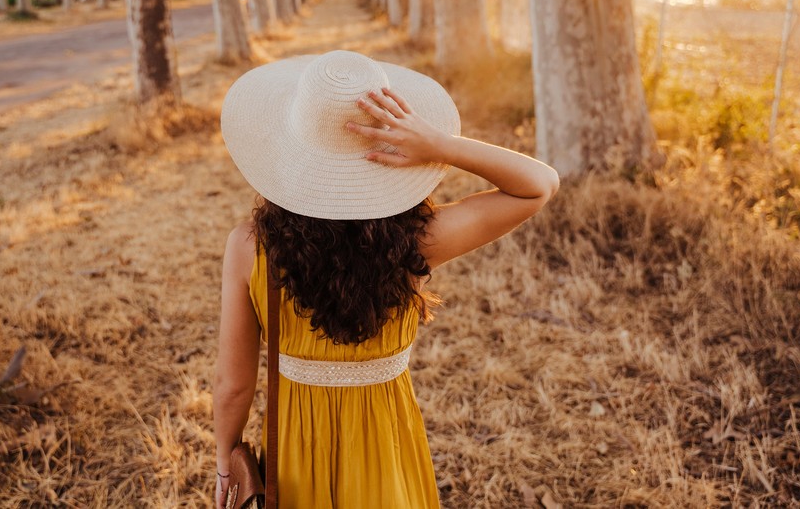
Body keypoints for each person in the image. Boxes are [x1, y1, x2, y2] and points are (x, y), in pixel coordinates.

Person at [215, 50, 559, 508]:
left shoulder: (249, 247)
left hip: (295, 448)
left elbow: (234, 384)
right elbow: (538, 184)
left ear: (289, 151)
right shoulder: (416, 242)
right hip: (385, 440)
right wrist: (443, 146)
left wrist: (226, 464)